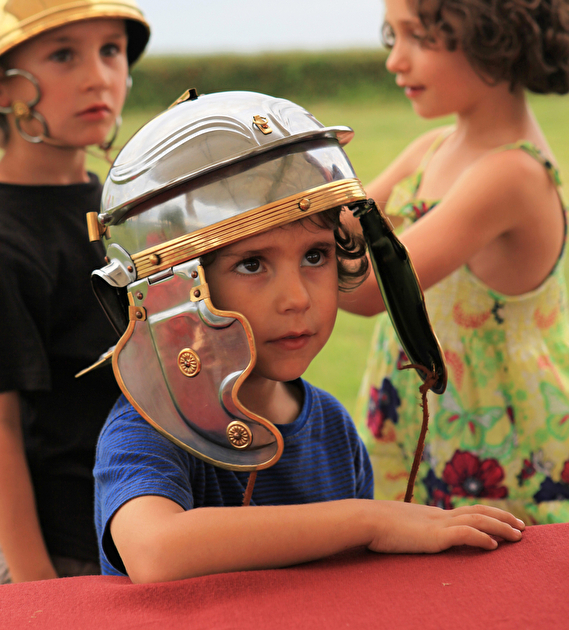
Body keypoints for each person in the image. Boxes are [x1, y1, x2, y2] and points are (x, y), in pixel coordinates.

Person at [89, 90, 524, 584]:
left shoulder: (333, 426)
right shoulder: (148, 429)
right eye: (253, 264)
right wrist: (369, 520)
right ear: (173, 289)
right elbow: (155, 550)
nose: (297, 298)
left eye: (315, 256)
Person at [339, 0, 569, 523]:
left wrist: (268, 261)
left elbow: (372, 290)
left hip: (498, 450)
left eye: (419, 36)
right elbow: (338, 227)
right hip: (430, 427)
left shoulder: (510, 175)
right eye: (392, 36)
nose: (396, 60)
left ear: (494, 32)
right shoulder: (430, 150)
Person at [0, 0, 150, 583]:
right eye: (63, 55)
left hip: (143, 522)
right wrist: (36, 590)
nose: (99, 76)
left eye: (111, 50)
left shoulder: (115, 203)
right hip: (61, 550)